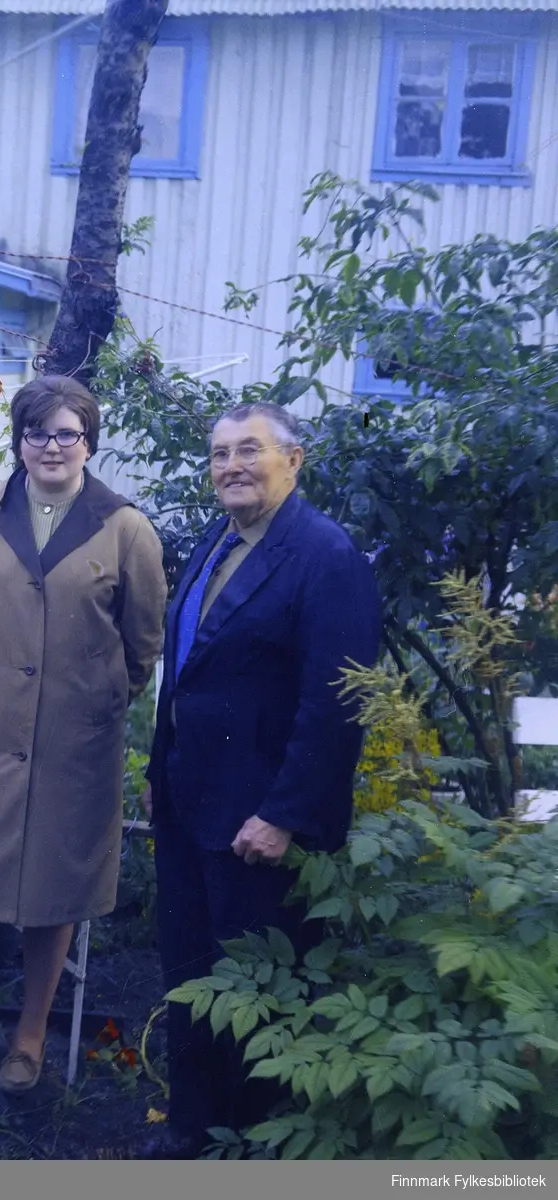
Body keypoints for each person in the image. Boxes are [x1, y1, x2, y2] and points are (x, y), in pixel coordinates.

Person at [0, 375, 167, 1094]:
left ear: (89, 442)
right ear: (19, 442)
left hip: (74, 743)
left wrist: (90, 697)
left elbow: (142, 641)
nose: (52, 446)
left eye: (67, 433)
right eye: (37, 433)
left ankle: (28, 1036)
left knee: (54, 888)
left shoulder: (125, 529)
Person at [139, 400, 381, 1156]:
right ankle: (191, 1133)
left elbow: (338, 700)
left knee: (258, 998)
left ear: (293, 460)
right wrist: (157, 768)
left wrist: (283, 813)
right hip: (190, 805)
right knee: (190, 976)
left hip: (257, 825)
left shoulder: (323, 554)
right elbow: (184, 666)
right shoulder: (224, 538)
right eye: (219, 454)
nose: (232, 467)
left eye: (250, 450)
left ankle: (254, 1150)